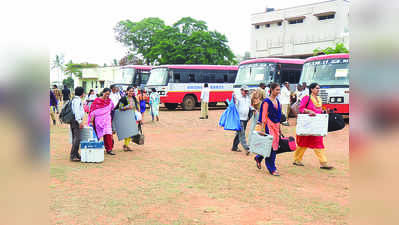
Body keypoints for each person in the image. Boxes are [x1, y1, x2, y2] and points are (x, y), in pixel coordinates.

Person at [293, 83, 334, 170]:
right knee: (303, 142)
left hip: (317, 125)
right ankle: (297, 159)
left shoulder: (319, 99)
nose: (318, 90)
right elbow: (301, 109)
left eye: (319, 88)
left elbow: (319, 110)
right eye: (316, 88)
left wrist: (324, 112)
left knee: (318, 142)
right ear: (311, 89)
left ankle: (323, 162)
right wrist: (309, 111)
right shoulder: (306, 98)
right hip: (308, 124)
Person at [254, 83, 282, 176]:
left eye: (279, 90)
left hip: (276, 127)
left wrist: (279, 128)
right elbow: (263, 116)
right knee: (271, 146)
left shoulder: (277, 101)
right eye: (277, 90)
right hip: (268, 126)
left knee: (272, 146)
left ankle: (259, 157)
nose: (278, 91)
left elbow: (278, 116)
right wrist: (262, 129)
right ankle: (272, 168)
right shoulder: (266, 101)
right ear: (272, 90)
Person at [88, 88, 116, 155]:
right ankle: (95, 147)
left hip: (107, 120)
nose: (107, 95)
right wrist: (91, 120)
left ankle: (109, 149)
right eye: (106, 94)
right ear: (102, 92)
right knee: (96, 134)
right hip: (98, 121)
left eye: (108, 94)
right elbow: (92, 111)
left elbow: (112, 108)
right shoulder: (97, 100)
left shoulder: (109, 101)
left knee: (108, 134)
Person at [232, 85, 254, 155]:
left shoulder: (248, 98)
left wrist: (253, 109)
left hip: (245, 118)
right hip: (239, 119)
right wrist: (234, 100)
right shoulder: (238, 98)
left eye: (247, 91)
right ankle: (246, 148)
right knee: (242, 134)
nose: (246, 92)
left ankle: (234, 147)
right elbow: (235, 105)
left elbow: (249, 106)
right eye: (245, 91)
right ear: (241, 91)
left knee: (239, 133)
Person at [117, 86, 139, 151]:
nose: (131, 92)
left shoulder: (134, 98)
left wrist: (138, 116)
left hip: (133, 117)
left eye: (132, 91)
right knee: (127, 132)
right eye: (130, 91)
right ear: (127, 91)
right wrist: (127, 107)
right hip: (125, 117)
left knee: (132, 132)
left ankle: (126, 145)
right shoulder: (123, 99)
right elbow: (120, 108)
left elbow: (136, 107)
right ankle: (125, 145)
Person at [70, 87, 86, 161]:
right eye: (83, 92)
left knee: (75, 138)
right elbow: (76, 111)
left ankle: (76, 153)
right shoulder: (77, 100)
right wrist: (79, 121)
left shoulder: (76, 99)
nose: (84, 94)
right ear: (81, 93)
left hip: (75, 120)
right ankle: (73, 155)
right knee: (77, 138)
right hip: (76, 121)